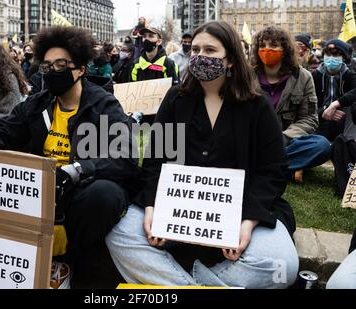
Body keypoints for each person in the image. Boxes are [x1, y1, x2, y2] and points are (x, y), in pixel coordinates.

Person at [106, 21, 299, 288]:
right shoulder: (175, 99)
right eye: (195, 50)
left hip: (243, 210)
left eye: (210, 50)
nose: (200, 57)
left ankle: (183, 283)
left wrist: (248, 222)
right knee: (119, 233)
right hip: (174, 208)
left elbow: (272, 172)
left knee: (282, 266)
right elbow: (154, 162)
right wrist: (152, 208)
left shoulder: (258, 106)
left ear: (230, 59)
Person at [0, 26, 138, 287]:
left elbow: (125, 156)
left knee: (105, 195)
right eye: (46, 66)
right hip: (42, 192)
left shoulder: (103, 105)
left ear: (80, 69)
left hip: (82, 190)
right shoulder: (38, 103)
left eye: (61, 65)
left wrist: (79, 169)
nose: (53, 72)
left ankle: (66, 261)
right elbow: (8, 127)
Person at [252, 26, 330, 182]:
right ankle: (284, 169)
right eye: (262, 46)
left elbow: (309, 119)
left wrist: (283, 138)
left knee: (321, 145)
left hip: (286, 142)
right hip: (253, 141)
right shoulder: (246, 76)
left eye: (273, 45)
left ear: (285, 49)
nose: (267, 50)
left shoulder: (304, 77)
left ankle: (259, 167)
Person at [315, 39, 356, 142]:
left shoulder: (350, 75)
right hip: (320, 120)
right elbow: (308, 106)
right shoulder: (314, 75)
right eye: (328, 55)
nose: (331, 59)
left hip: (344, 120)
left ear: (344, 58)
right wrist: (325, 109)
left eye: (336, 55)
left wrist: (336, 104)